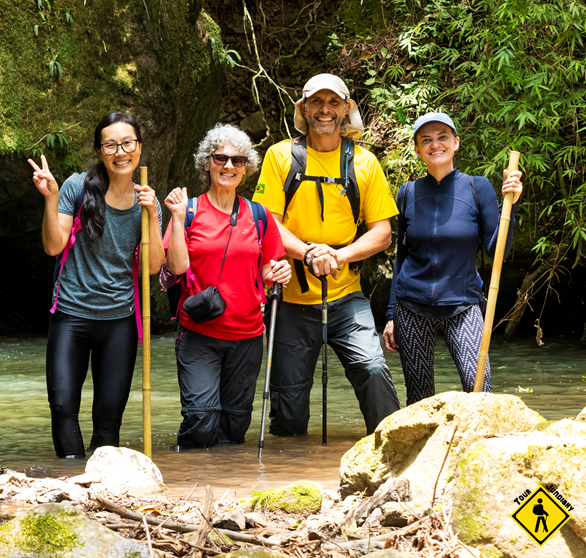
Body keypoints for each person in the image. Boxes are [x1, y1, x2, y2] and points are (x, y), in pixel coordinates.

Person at [253, 73, 400, 436]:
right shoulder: (279, 156)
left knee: (373, 369)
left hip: (345, 295)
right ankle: (290, 474)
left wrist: (337, 256)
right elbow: (265, 222)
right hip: (289, 299)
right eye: (316, 102)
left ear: (346, 108)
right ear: (303, 109)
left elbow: (382, 233)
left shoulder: (364, 163)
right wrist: (306, 253)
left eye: (334, 103)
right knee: (288, 402)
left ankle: (392, 446)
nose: (325, 110)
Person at [27, 112, 163, 459]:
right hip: (72, 314)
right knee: (62, 406)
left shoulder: (147, 201)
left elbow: (151, 267)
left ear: (139, 147)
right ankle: (71, 480)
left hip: (119, 320)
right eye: (111, 145)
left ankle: (101, 490)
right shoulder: (76, 186)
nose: (121, 152)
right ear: (100, 151)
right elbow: (53, 246)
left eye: (127, 143)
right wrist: (51, 198)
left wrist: (151, 216)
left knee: (107, 418)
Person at [163, 124, 291, 449]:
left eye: (238, 160)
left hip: (248, 336)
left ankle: (224, 487)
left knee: (235, 426)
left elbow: (268, 270)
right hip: (199, 333)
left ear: (247, 168)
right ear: (207, 163)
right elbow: (176, 267)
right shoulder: (188, 212)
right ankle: (188, 476)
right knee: (201, 417)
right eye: (221, 158)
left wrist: (280, 273)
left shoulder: (259, 216)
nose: (229, 166)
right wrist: (176, 220)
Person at [382, 112, 523, 405]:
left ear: (456, 143)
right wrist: (391, 314)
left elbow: (497, 252)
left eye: (442, 137)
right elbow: (401, 257)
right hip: (412, 308)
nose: (435, 145)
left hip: (463, 305)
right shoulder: (407, 192)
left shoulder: (477, 187)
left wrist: (510, 207)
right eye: (426, 140)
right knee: (419, 401)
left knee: (480, 396)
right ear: (419, 150)